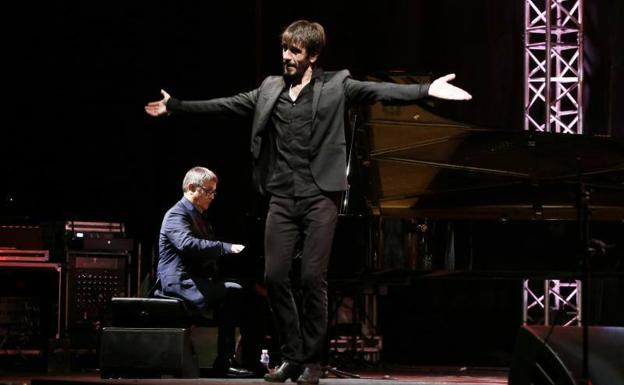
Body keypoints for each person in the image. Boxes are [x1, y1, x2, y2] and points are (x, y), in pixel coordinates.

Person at [146, 20, 472, 385]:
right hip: (282, 198)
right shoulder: (270, 88)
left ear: (313, 55)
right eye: (284, 49)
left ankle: (312, 361)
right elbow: (225, 105)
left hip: (321, 197)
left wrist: (427, 88)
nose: (287, 56)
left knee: (313, 277)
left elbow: (378, 91)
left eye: (295, 51)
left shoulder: (337, 85)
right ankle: (292, 356)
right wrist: (176, 105)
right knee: (274, 276)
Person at [156, 166, 263, 378]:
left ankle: (251, 359)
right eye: (209, 191)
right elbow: (188, 245)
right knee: (234, 292)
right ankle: (224, 361)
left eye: (214, 192)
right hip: (179, 283)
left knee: (253, 293)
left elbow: (207, 254)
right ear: (191, 188)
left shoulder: (200, 218)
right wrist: (227, 247)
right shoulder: (176, 214)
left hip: (196, 280)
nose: (213, 197)